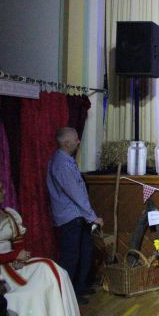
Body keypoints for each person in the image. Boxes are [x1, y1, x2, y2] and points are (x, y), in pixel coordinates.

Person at [0, 173, 89, 316]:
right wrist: (13, 256)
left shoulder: (8, 215)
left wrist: (19, 257)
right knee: (33, 293)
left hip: (14, 264)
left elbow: (18, 244)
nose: (4, 192)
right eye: (0, 190)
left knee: (56, 271)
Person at [47, 127, 103, 302]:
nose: (78, 142)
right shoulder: (61, 164)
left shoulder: (67, 161)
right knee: (71, 257)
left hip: (78, 216)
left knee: (84, 252)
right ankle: (67, 294)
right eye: (75, 139)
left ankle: (79, 287)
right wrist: (92, 216)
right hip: (70, 217)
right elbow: (75, 194)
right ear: (66, 143)